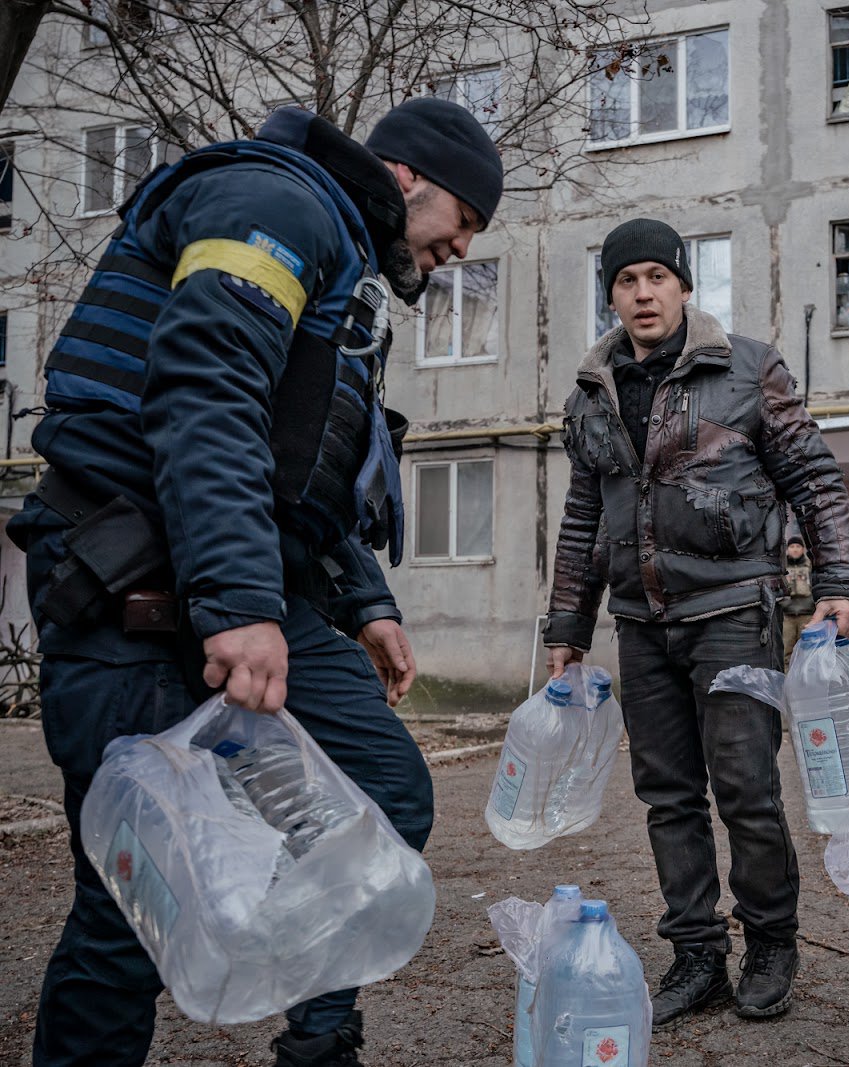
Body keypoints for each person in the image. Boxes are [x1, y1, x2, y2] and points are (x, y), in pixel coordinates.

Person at [8, 98, 502, 1067]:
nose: (455, 253)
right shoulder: (273, 203)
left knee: (384, 788)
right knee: (127, 919)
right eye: (464, 225)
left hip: (242, 581)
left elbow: (295, 468)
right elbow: (207, 389)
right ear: (406, 178)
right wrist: (239, 606)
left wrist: (365, 601)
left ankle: (317, 1040)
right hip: (130, 585)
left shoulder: (339, 255)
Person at [544, 218, 849, 1029]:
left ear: (684, 285)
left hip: (733, 610)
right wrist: (567, 626)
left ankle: (770, 941)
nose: (643, 292)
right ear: (611, 294)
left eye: (658, 276)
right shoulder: (594, 390)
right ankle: (696, 954)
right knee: (667, 796)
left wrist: (838, 582)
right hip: (640, 621)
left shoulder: (747, 367)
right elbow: (584, 518)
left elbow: (816, 479)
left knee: (747, 788)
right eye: (626, 280)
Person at [781, 535, 814, 666]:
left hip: (807, 616)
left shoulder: (811, 566)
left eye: (798, 546)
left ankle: (806, 684)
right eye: (792, 546)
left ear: (803, 549)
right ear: (787, 549)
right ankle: (786, 683)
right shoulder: (781, 568)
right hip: (787, 616)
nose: (795, 549)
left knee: (807, 653)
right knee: (785, 653)